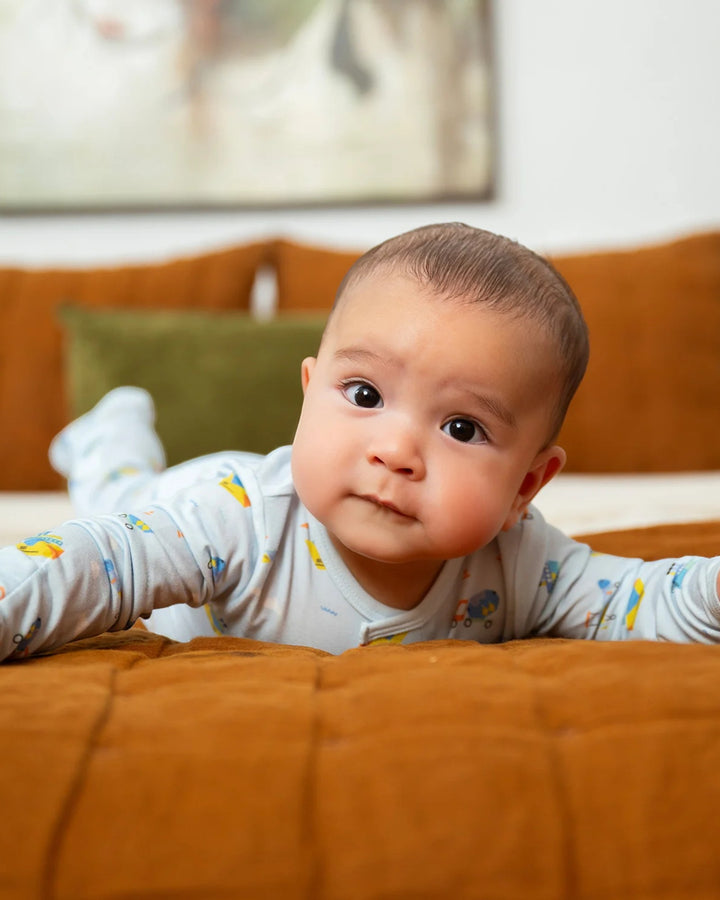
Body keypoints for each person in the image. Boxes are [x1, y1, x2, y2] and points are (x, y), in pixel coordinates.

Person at [1, 223, 719, 662]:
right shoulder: (238, 520)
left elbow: (644, 599)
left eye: (462, 428)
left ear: (526, 489)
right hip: (187, 493)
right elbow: (101, 563)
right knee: (117, 493)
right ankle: (109, 433)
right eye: (366, 396)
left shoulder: (524, 563)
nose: (397, 451)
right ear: (310, 391)